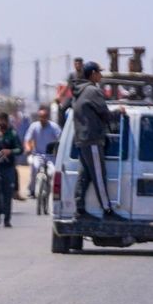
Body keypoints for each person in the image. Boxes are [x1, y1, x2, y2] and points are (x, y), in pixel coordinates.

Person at [72, 61, 127, 221]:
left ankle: (79, 210)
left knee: (85, 176)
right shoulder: (93, 91)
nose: (101, 76)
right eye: (99, 73)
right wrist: (119, 112)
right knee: (99, 176)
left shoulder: (79, 91)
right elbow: (105, 114)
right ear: (93, 73)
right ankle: (107, 210)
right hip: (92, 139)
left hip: (82, 140)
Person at [0, 112, 23, 227]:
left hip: (8, 168)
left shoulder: (12, 134)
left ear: (7, 121)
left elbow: (20, 149)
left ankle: (7, 219)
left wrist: (10, 151)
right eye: (0, 121)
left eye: (3, 120)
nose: (1, 123)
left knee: (7, 194)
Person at [24, 107, 62, 198]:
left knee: (53, 172)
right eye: (40, 117)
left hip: (50, 156)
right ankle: (32, 190)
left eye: (44, 117)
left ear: (47, 117)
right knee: (35, 168)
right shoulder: (34, 126)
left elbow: (61, 139)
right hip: (38, 155)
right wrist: (28, 148)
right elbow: (27, 140)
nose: (42, 119)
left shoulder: (54, 127)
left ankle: (53, 192)